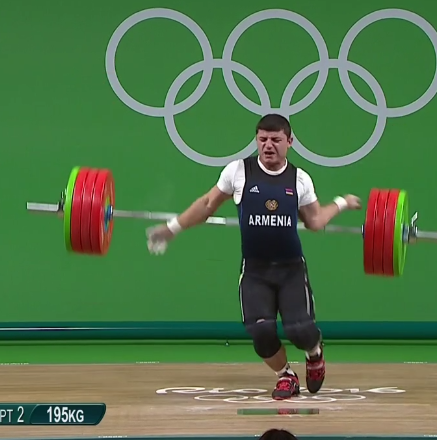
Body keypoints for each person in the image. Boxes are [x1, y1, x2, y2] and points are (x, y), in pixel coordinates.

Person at [145, 113, 362, 400]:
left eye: (275, 140)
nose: (268, 145)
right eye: (262, 139)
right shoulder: (238, 172)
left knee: (301, 330)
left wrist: (342, 203)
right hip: (256, 271)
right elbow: (207, 204)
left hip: (291, 270)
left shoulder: (299, 179)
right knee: (260, 333)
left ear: (289, 142)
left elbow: (315, 221)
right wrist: (172, 229)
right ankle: (286, 375)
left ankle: (315, 353)